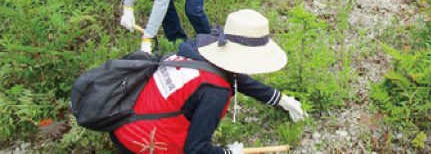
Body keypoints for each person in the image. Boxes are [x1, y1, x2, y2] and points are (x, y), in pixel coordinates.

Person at [109, 9, 307, 154]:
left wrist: (280, 99)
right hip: (143, 145)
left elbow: (233, 76)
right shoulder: (215, 91)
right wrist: (227, 153)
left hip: (121, 125)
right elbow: (196, 150)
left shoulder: (196, 48)